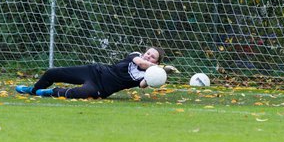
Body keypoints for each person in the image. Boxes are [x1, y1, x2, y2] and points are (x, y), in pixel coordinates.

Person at [15, 47, 178, 99]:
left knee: (80, 93)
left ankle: (51, 92)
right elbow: (142, 63)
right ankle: (33, 90)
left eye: (153, 57)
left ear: (156, 62)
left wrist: (160, 74)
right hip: (94, 71)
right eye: (148, 53)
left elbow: (143, 85)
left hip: (101, 88)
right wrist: (161, 68)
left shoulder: (147, 75)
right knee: (53, 72)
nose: (148, 56)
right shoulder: (136, 56)